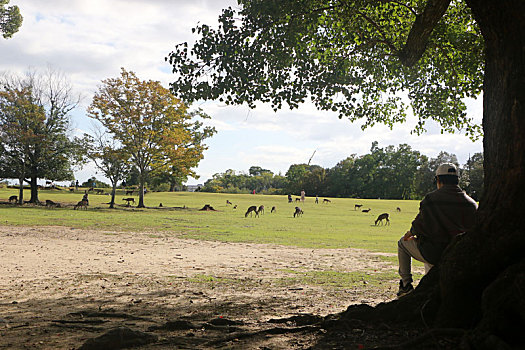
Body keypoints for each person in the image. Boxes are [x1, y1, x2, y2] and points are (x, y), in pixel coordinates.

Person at [397, 163, 477, 297]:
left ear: (438, 180)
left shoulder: (431, 199)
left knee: (402, 243)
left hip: (435, 253)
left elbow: (418, 225)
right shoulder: (471, 203)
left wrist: (410, 233)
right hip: (460, 253)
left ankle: (406, 286)